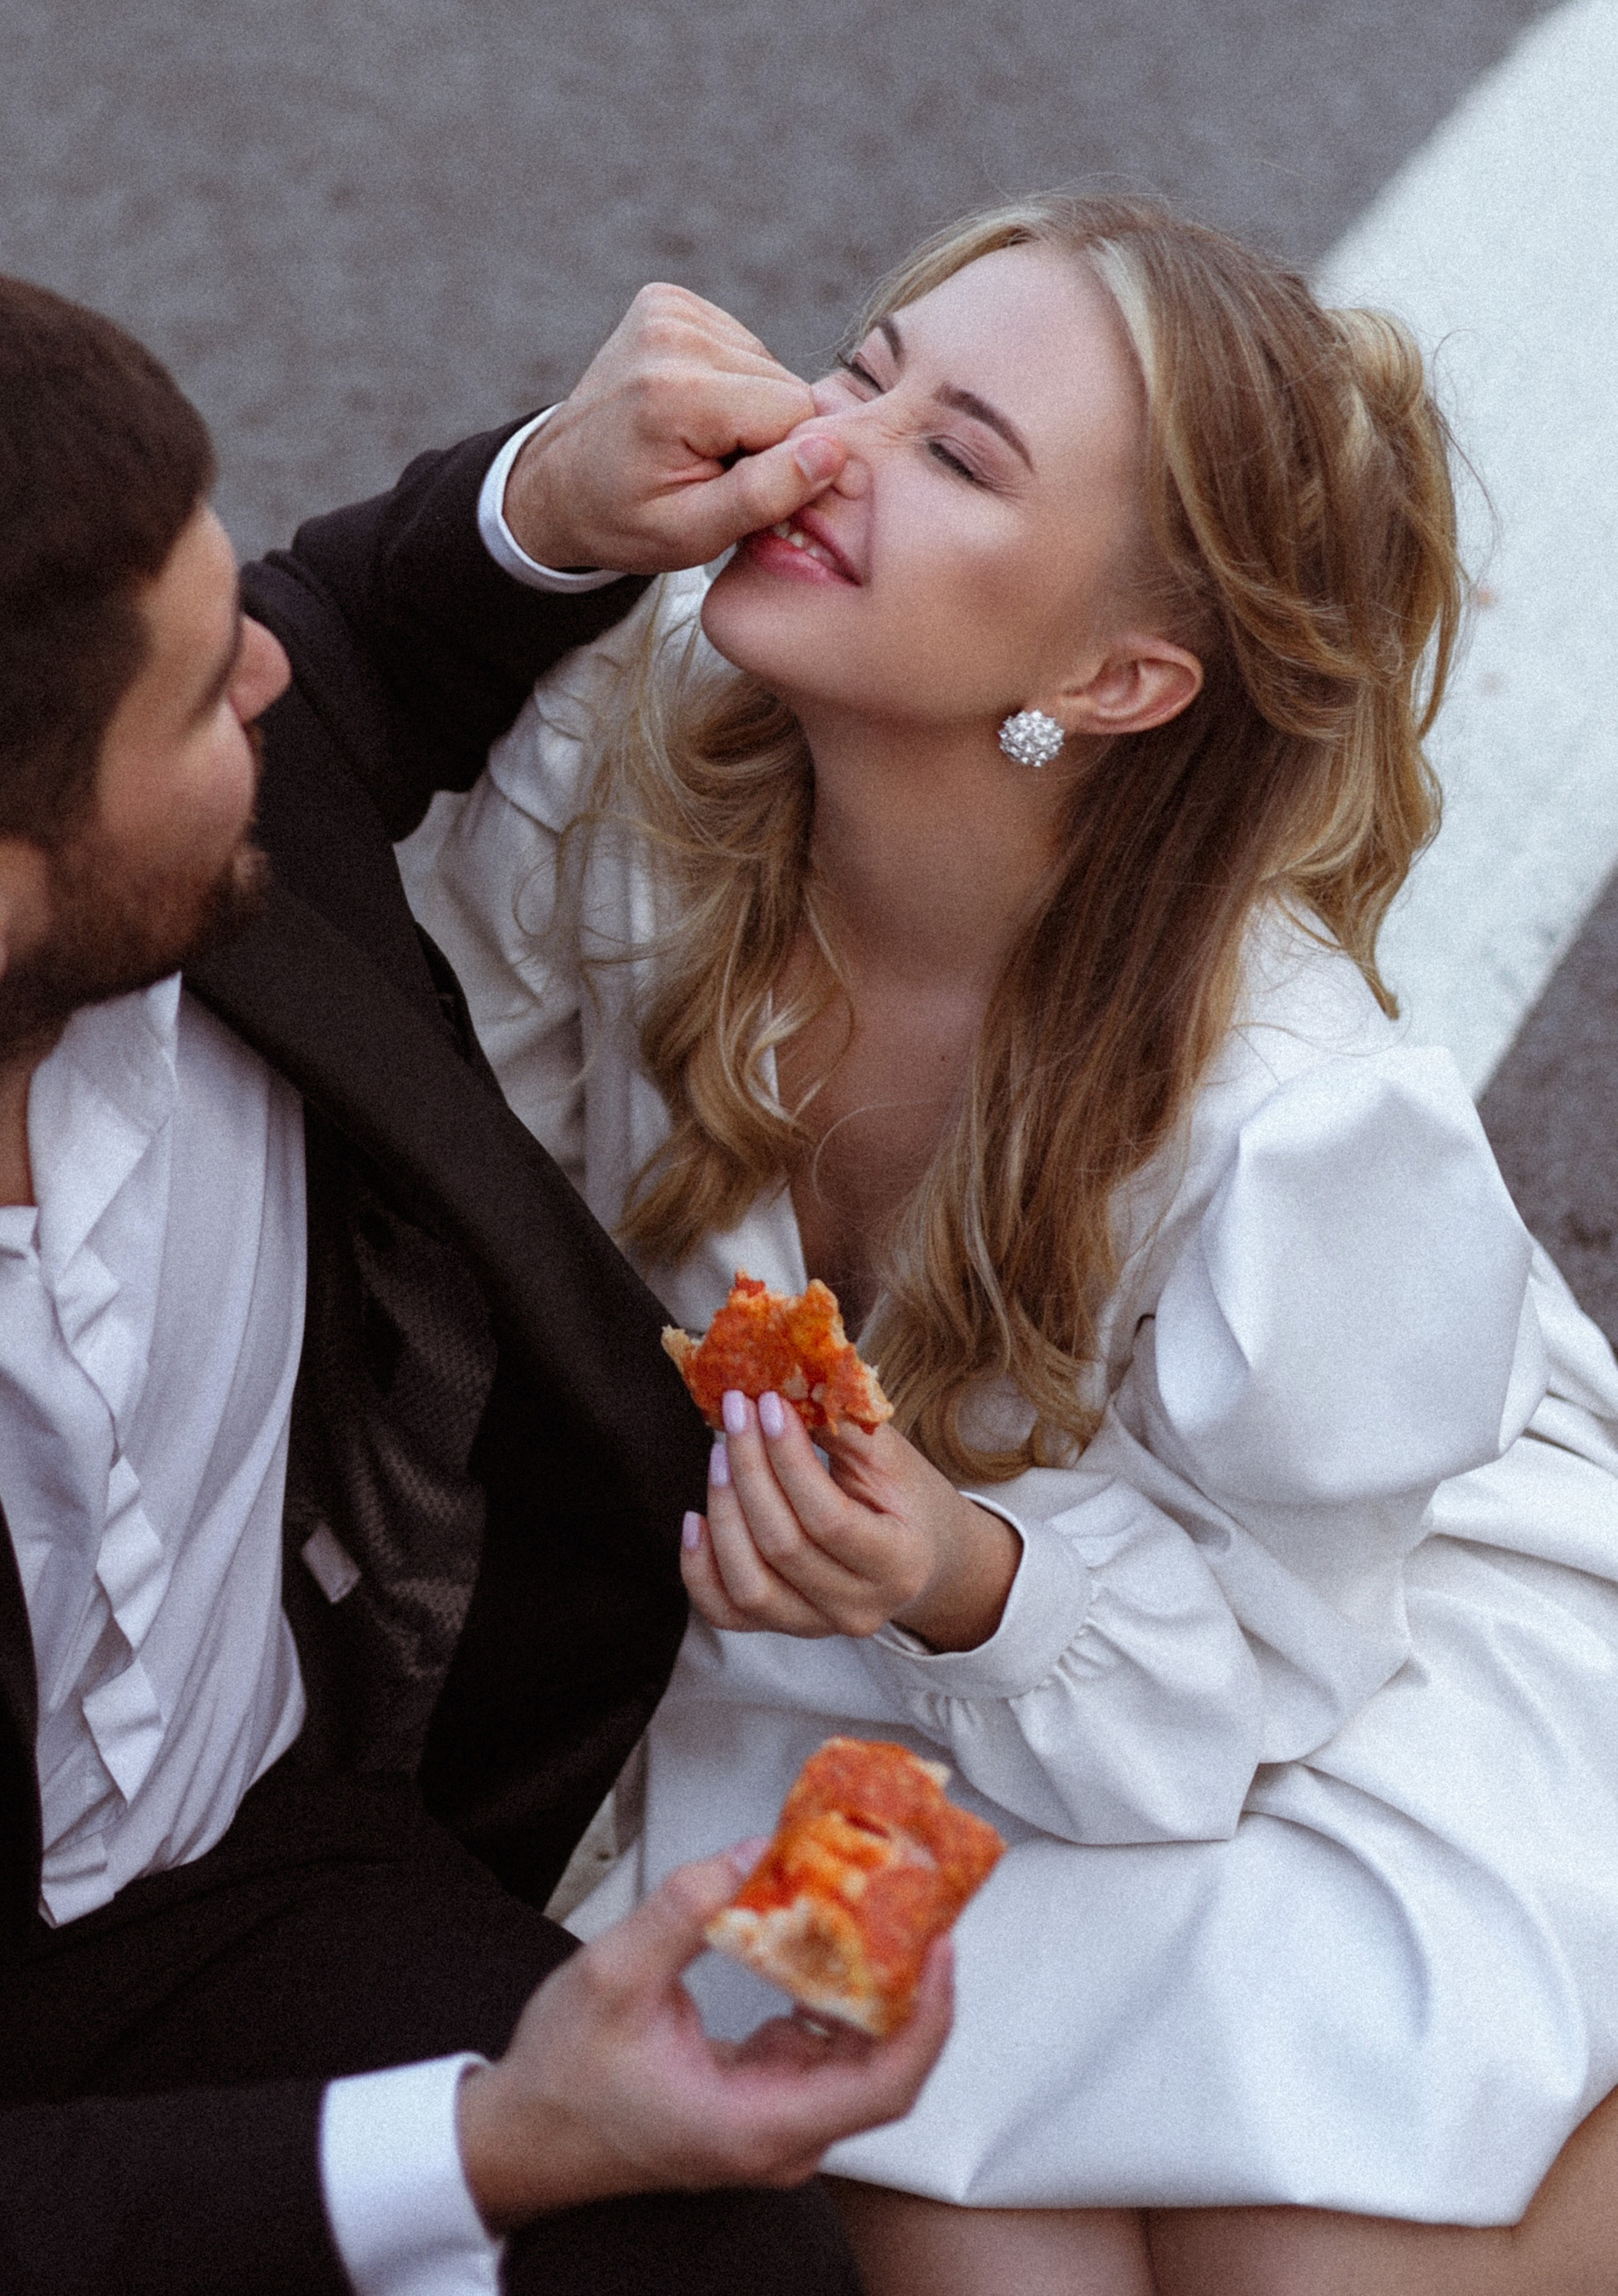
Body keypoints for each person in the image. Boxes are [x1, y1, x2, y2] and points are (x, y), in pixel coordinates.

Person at [0, 267, 956, 2296]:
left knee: (730, 2274)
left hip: (252, 1885)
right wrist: (495, 2141)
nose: (269, 684)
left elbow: (359, 627)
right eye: (203, 687)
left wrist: (544, 505)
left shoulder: (93, 823)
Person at [405, 194, 1618, 2294]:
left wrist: (957, 1569)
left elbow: (1268, 1639)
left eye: (958, 455)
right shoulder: (632, 749)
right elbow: (395, 1049)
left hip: (1321, 1635)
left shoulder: (1305, 1129)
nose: (833, 448)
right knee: (984, 2269)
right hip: (835, 1671)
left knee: (1310, 2265)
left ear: (1115, 675)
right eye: (861, 372)